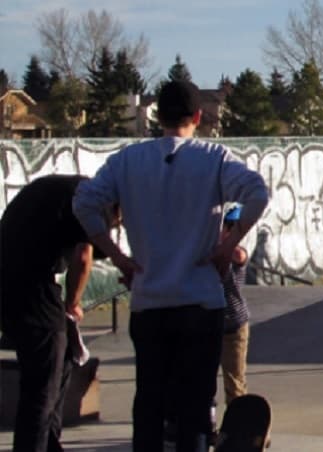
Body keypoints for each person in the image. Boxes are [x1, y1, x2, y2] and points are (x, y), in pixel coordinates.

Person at [73, 80, 270, 452]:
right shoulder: (213, 158)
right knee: (195, 407)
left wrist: (117, 256)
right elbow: (258, 193)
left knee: (150, 402)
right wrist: (227, 246)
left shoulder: (127, 161)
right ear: (197, 116)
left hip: (149, 301)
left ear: (157, 117)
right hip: (200, 300)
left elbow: (83, 203)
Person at [1, 175, 119, 452]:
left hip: (10, 281)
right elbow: (83, 257)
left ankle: (50, 444)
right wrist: (73, 304)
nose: (117, 226)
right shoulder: (94, 203)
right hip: (32, 288)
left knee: (62, 357)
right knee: (42, 385)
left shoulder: (69, 189)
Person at [218, 206, 251, 404]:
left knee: (234, 381)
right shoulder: (213, 249)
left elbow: (238, 255)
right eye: (227, 226)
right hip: (212, 322)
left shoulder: (238, 253)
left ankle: (238, 416)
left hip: (235, 326)